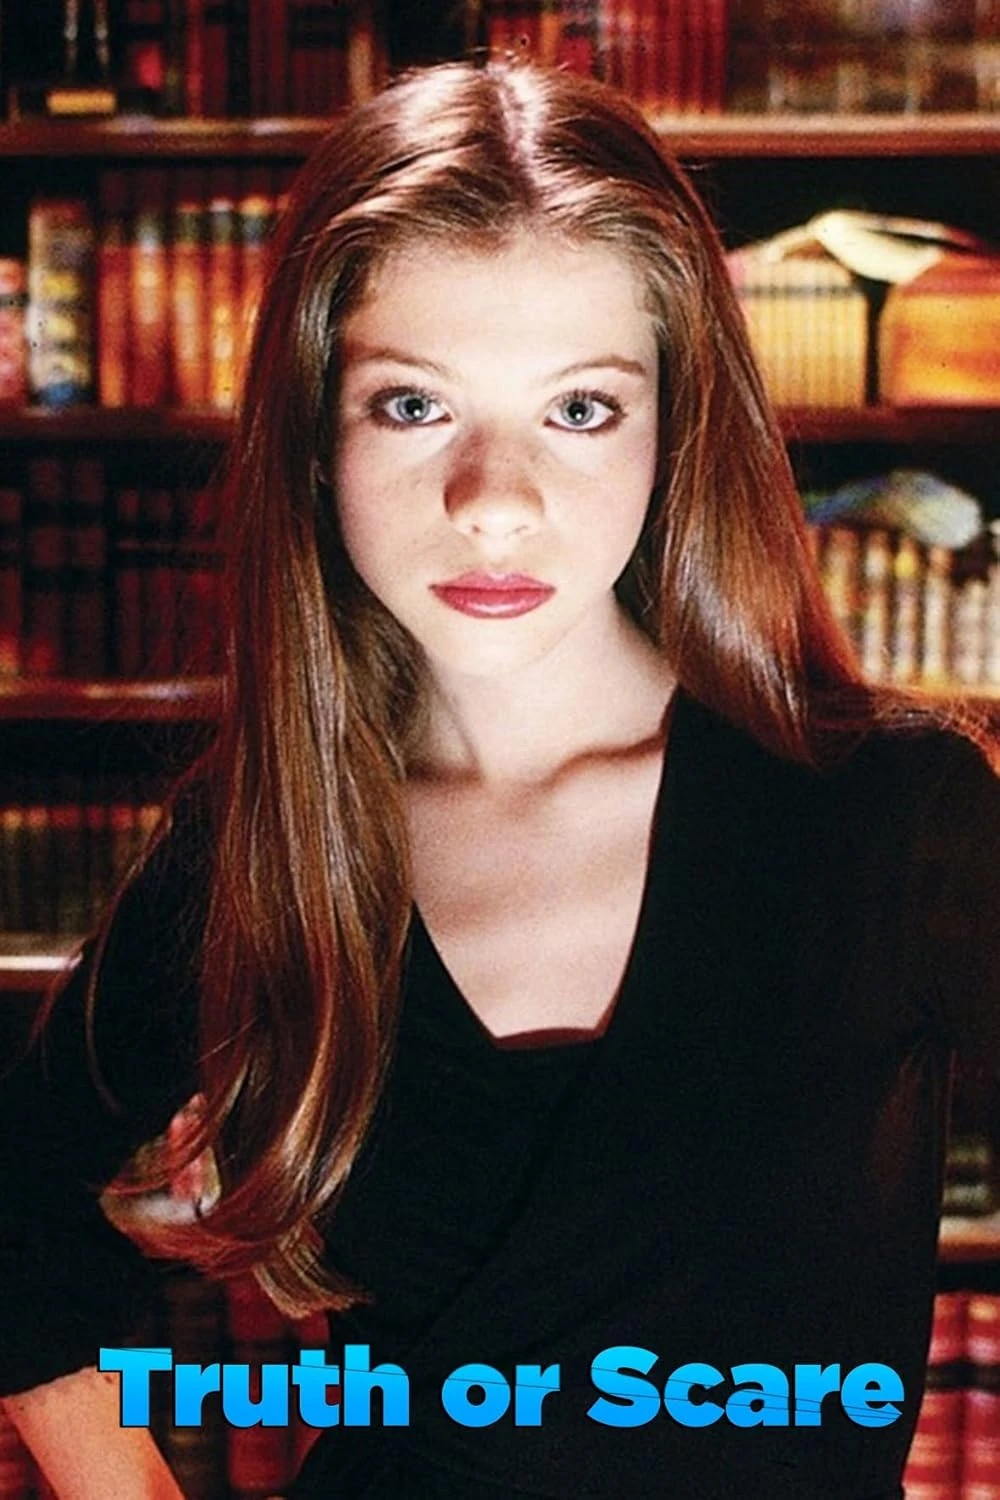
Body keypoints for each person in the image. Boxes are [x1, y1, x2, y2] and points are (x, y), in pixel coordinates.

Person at [2, 58, 999, 1500]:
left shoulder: (900, 821)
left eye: (580, 410)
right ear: (316, 434)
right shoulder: (266, 841)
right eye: (413, 406)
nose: (494, 502)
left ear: (675, 429)